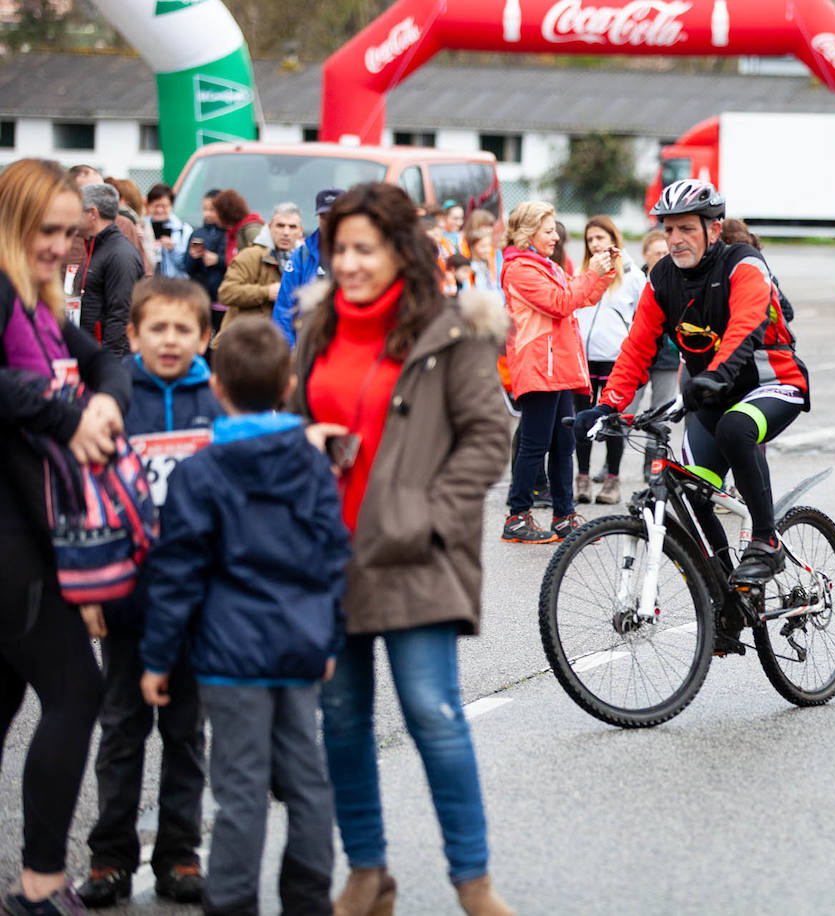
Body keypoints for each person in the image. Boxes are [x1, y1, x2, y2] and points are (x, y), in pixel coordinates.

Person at [286, 182, 515, 916]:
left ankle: (473, 882)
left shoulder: (451, 331)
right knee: (343, 719)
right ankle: (367, 872)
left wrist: (430, 515)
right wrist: (304, 444)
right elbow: (293, 421)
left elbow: (489, 436)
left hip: (414, 552)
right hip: (328, 555)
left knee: (433, 713)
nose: (348, 263)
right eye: (339, 250)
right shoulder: (315, 326)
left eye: (364, 249)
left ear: (398, 253)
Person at [139, 317, 347, 916]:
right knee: (306, 781)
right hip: (301, 644)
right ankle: (308, 900)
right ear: (288, 383)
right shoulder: (311, 464)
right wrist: (328, 636)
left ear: (217, 391)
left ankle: (231, 903)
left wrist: (157, 658)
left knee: (239, 793)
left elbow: (177, 575)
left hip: (229, 658)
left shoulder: (198, 473)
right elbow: (332, 553)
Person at [0, 158, 129, 915]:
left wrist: (106, 403)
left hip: (34, 521)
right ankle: (42, 885)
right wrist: (68, 415)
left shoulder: (39, 301)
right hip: (11, 530)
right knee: (76, 692)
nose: (62, 248)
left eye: (72, 235)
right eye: (46, 232)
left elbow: (108, 364)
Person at [580, 178, 809, 593]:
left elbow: (745, 325)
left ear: (714, 229)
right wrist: (607, 405)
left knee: (736, 428)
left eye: (686, 228)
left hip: (773, 383)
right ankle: (725, 594)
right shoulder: (662, 277)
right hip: (710, 396)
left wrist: (716, 376)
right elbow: (636, 346)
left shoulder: (744, 264)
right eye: (668, 229)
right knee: (691, 491)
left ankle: (766, 540)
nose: (675, 239)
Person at [77, 276, 221, 910]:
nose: (169, 340)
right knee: (122, 731)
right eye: (155, 329)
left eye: (182, 329)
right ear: (131, 335)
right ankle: (110, 856)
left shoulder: (215, 405)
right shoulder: (114, 401)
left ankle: (180, 853)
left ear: (204, 336)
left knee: (187, 735)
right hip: (127, 602)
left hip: (195, 605)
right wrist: (87, 591)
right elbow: (85, 499)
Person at [501, 201, 615, 543]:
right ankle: (517, 517)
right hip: (538, 367)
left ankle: (564, 516)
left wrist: (604, 271)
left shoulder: (545, 265)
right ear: (528, 232)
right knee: (535, 446)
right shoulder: (520, 269)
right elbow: (562, 302)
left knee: (563, 444)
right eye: (549, 230)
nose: (556, 237)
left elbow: (581, 296)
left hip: (557, 367)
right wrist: (592, 272)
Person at [573, 215, 645, 506]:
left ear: (614, 239)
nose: (595, 244)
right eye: (590, 239)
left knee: (614, 420)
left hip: (617, 358)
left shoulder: (631, 274)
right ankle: (583, 477)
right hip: (585, 359)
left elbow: (644, 315)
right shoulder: (583, 272)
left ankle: (612, 479)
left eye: (600, 238)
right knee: (582, 420)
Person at [215, 201, 303, 347]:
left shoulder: (306, 261)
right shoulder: (250, 256)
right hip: (241, 343)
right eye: (280, 226)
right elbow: (226, 293)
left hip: (283, 345)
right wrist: (266, 292)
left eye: (292, 227)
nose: (286, 232)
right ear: (270, 228)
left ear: (300, 231)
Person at [77, 181, 145, 357]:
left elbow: (121, 315)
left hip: (107, 360)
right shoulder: (97, 248)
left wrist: (108, 364)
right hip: (92, 353)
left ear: (92, 213)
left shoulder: (120, 255)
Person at [274, 187, 341, 346]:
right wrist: (290, 355)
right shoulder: (301, 255)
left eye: (334, 217)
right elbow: (284, 309)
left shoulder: (359, 256)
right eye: (324, 217)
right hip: (307, 348)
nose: (329, 222)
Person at [640, 229, 681, 410]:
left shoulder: (679, 280)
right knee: (625, 411)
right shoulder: (636, 280)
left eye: (666, 253)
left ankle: (657, 440)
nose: (663, 257)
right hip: (641, 355)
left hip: (668, 358)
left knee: (661, 412)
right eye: (658, 253)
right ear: (645, 255)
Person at [184, 190, 227, 334]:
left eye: (212, 209)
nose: (207, 214)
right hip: (201, 295)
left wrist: (218, 260)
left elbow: (237, 263)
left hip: (222, 298)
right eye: (204, 209)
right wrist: (193, 256)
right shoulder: (197, 233)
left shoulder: (230, 233)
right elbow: (188, 268)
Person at [145, 183, 193, 279]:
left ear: (171, 206)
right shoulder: (142, 228)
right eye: (156, 206)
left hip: (175, 288)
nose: (159, 210)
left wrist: (173, 249)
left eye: (164, 206)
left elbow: (187, 266)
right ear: (149, 205)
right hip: (149, 286)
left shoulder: (183, 230)